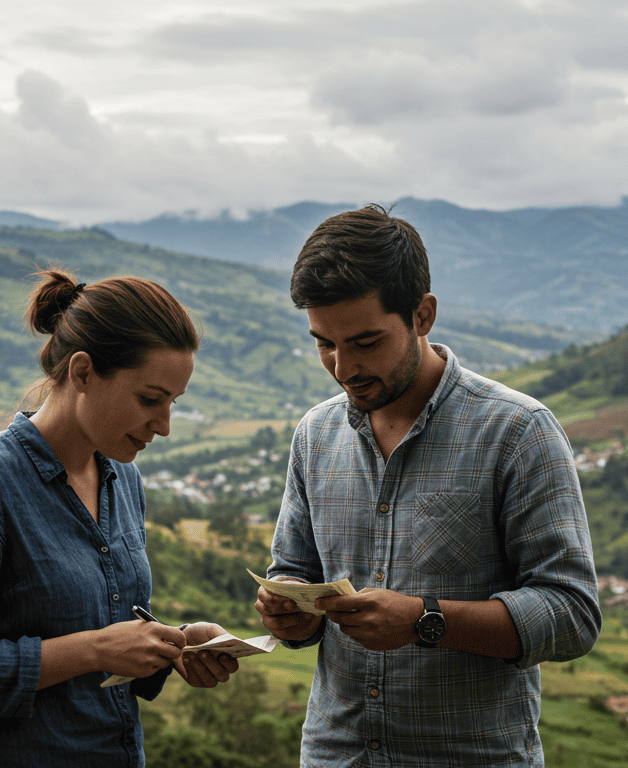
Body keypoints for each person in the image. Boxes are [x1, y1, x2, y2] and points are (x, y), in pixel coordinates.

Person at [254, 205, 601, 767]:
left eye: (366, 342)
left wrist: (423, 620)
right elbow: (293, 576)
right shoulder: (315, 435)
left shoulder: (516, 432)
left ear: (422, 314)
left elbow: (571, 616)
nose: (343, 368)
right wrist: (287, 614)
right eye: (324, 343)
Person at [0, 269, 240, 767]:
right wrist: (95, 650)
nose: (164, 426)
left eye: (173, 403)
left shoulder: (123, 481)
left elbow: (106, 625)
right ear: (82, 372)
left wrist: (174, 644)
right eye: (150, 399)